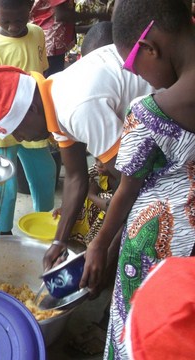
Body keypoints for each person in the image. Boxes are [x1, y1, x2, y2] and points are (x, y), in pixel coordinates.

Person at [0, 45, 153, 277]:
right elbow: (75, 176)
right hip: (145, 149)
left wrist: (101, 247)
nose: (21, 139)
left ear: (32, 109)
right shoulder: (52, 96)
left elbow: (134, 184)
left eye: (17, 131)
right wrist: (59, 242)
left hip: (179, 123)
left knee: (142, 244)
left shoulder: (76, 109)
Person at [80, 0, 195, 358]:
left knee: (142, 336)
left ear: (150, 47)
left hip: (158, 254)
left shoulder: (148, 114)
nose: (137, 76)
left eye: (132, 64)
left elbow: (127, 191)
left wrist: (99, 244)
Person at [0, 0, 56, 235]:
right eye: (6, 21)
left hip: (33, 123)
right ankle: (3, 232)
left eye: (19, 20)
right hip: (5, 129)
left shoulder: (37, 34)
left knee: (45, 173)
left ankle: (44, 221)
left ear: (30, 8)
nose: (13, 27)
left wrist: (49, 120)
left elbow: (41, 75)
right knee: (7, 187)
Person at [30, 0, 111, 76]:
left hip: (46, 39)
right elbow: (62, 15)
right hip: (51, 42)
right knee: (50, 81)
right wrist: (97, 15)